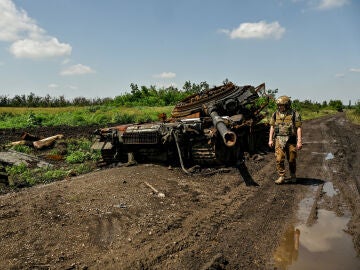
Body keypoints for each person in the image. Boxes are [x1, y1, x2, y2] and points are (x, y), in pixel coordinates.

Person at [268, 96, 302, 184]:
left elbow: (298, 128)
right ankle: (281, 176)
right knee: (279, 159)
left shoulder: (294, 113)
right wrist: (270, 139)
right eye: (278, 105)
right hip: (279, 139)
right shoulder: (275, 114)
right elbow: (272, 127)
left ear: (287, 105)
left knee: (292, 159)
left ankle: (293, 174)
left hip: (291, 139)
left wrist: (299, 141)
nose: (279, 107)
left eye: (281, 105)